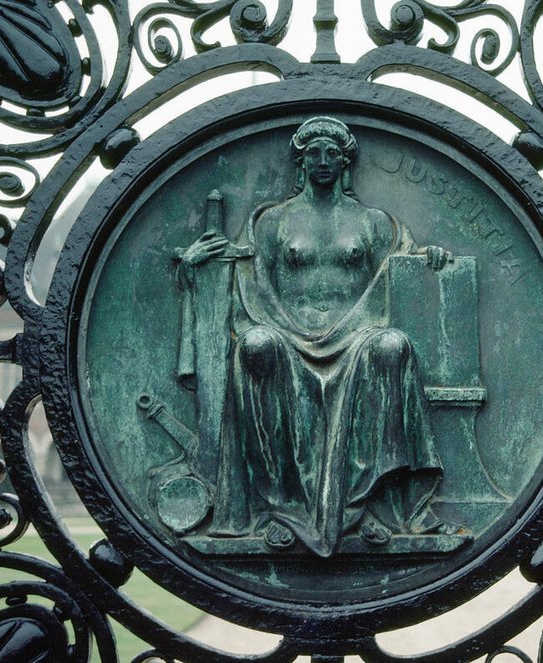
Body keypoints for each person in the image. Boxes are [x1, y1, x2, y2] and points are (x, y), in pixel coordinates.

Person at [177, 117, 453, 557]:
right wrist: (193, 267)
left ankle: (370, 507)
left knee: (393, 346)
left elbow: (404, 265)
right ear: (301, 163)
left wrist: (430, 257)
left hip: (357, 337)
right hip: (286, 337)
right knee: (255, 346)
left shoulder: (374, 222)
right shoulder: (271, 222)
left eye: (332, 154)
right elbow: (240, 277)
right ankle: (279, 507)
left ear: (345, 164)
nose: (323, 161)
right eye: (314, 154)